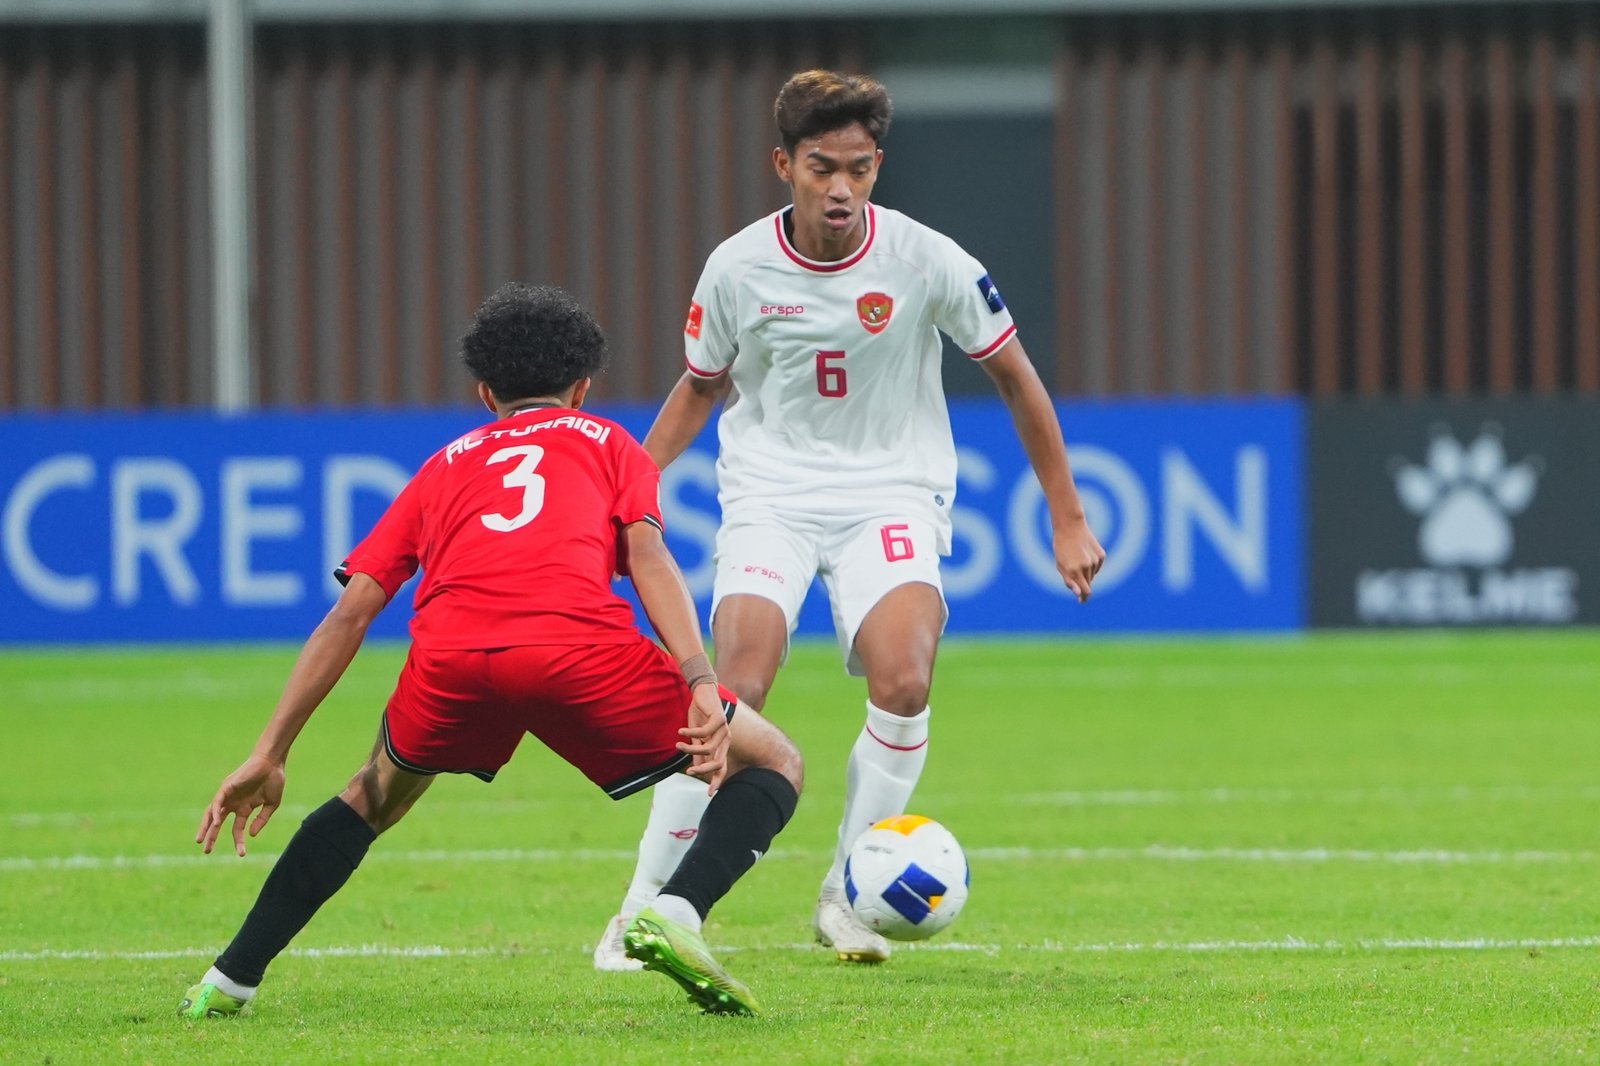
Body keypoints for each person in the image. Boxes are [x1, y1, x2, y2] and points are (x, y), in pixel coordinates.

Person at [592, 70, 1105, 969]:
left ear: (878, 167)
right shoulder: (738, 267)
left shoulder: (926, 259)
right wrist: (624, 487)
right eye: (822, 167)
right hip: (771, 494)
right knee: (732, 689)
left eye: (860, 170)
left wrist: (1066, 515)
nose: (841, 189)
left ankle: (847, 894)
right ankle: (643, 908)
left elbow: (1016, 375)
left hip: (891, 493)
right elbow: (699, 387)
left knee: (904, 680)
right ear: (784, 164)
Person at [179, 283, 803, 1020]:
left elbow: (350, 614)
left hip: (452, 658)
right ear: (582, 386)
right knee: (771, 762)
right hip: (576, 648)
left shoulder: (443, 465)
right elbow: (648, 554)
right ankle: (677, 912)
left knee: (371, 795)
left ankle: (229, 980)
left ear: (485, 392)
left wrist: (270, 750)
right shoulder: (611, 443)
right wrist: (701, 678)